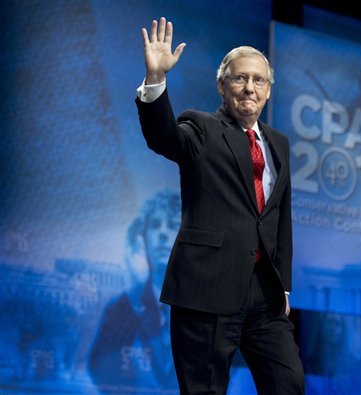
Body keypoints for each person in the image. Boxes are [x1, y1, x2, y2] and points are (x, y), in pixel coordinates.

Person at [134, 17, 304, 394]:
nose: (249, 88)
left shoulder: (279, 144)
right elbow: (164, 137)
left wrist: (285, 289)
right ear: (222, 85)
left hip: (265, 296)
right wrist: (155, 81)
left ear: (269, 91)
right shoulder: (203, 128)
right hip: (207, 291)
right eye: (240, 78)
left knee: (289, 383)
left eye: (259, 80)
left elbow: (280, 220)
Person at [88, 190, 181, 393]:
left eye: (173, 225)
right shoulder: (121, 307)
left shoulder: (209, 304)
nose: (163, 233)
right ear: (143, 240)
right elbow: (99, 368)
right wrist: (135, 297)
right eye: (155, 226)